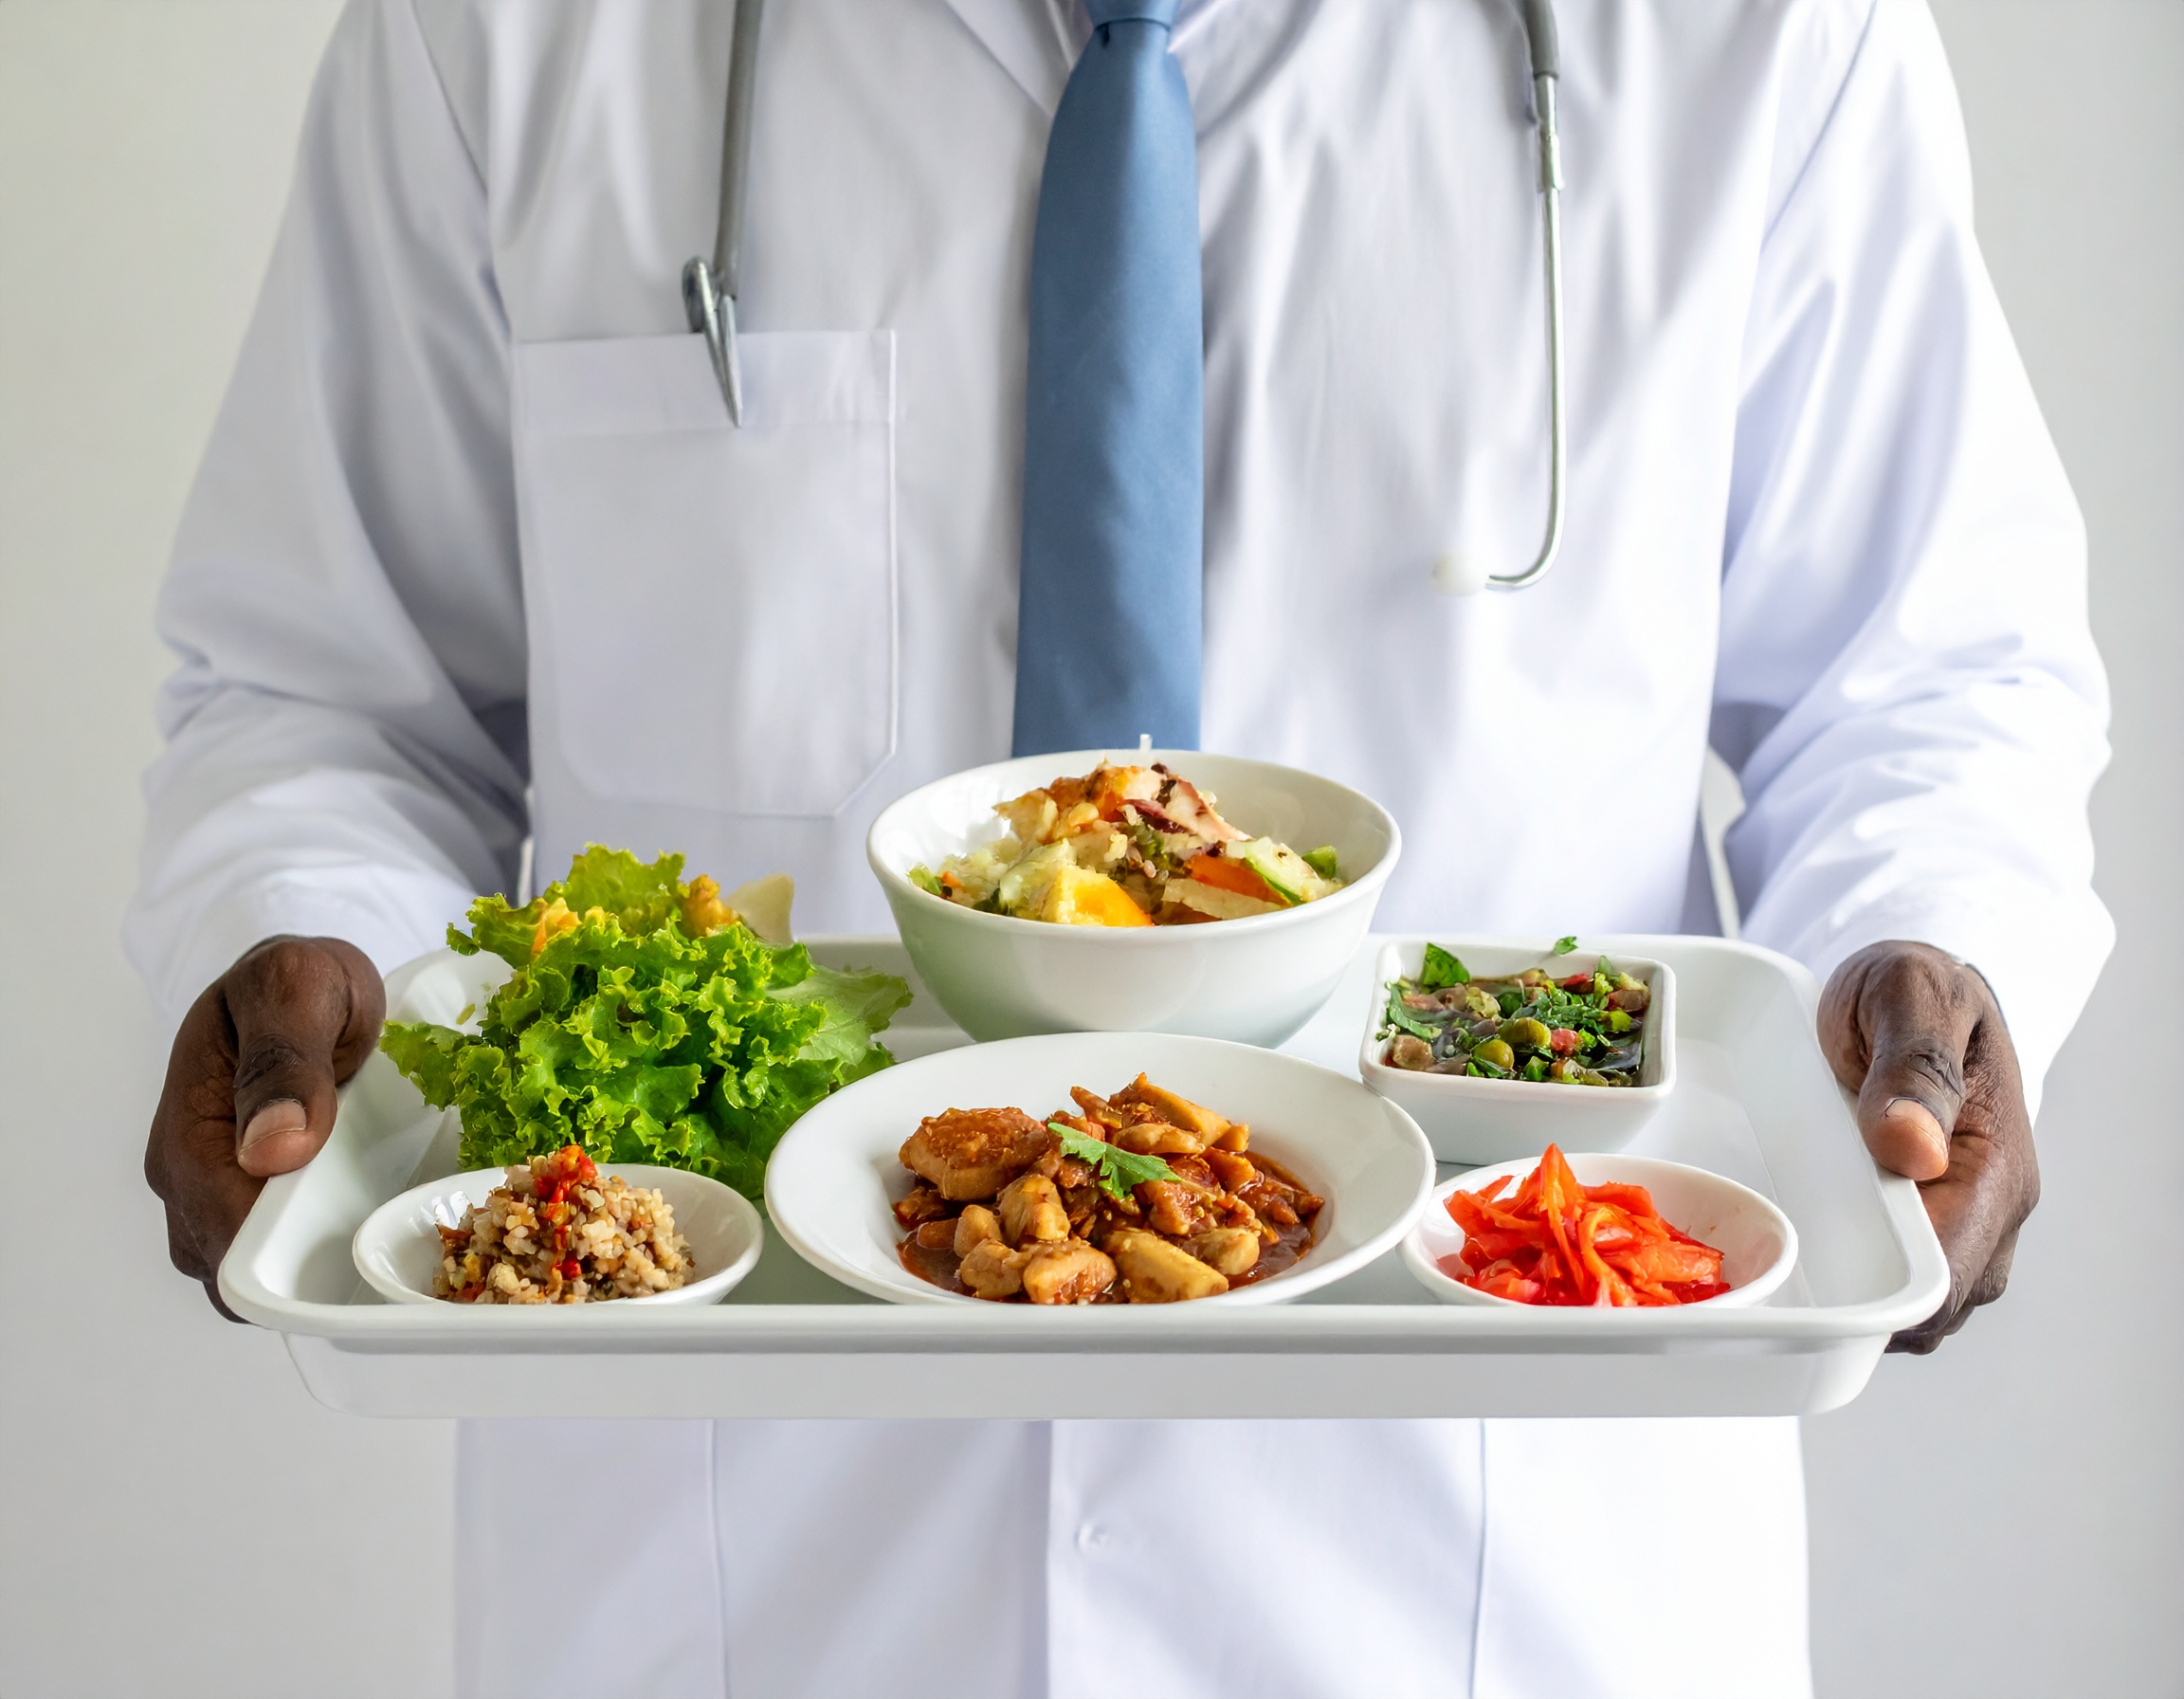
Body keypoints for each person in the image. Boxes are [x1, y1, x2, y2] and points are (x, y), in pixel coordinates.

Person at [129, 1, 2110, 1694]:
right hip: (758, 1588)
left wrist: (1930, 950)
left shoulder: (1759, 33)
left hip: (1493, 1580)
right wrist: (302, 931)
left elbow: (1927, 679)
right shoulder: (508, 32)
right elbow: (333, 689)